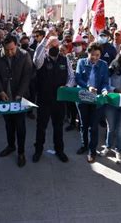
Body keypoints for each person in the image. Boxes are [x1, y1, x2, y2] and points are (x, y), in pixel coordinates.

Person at [32, 30, 75, 163]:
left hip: (59, 100)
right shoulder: (42, 59)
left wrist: (67, 86)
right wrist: (45, 40)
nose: (54, 49)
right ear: (47, 47)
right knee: (41, 127)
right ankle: (38, 150)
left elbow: (71, 76)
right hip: (44, 100)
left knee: (58, 127)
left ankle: (59, 150)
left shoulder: (65, 59)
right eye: (52, 46)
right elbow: (35, 60)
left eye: (56, 46)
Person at [0, 34, 33, 167]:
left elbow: (27, 76)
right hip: (4, 97)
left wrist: (20, 94)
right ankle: (10, 146)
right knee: (8, 125)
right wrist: (0, 91)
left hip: (19, 98)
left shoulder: (24, 55)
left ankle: (21, 152)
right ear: (2, 46)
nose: (10, 52)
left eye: (12, 49)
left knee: (20, 126)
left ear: (17, 45)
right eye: (7, 49)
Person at [75, 42, 109, 163]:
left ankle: (92, 151)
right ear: (88, 53)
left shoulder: (104, 65)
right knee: (83, 125)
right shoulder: (81, 62)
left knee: (93, 127)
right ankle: (84, 145)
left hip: (97, 100)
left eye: (97, 55)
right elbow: (78, 78)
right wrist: (88, 87)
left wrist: (105, 90)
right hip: (83, 98)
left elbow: (105, 82)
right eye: (92, 54)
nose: (95, 57)